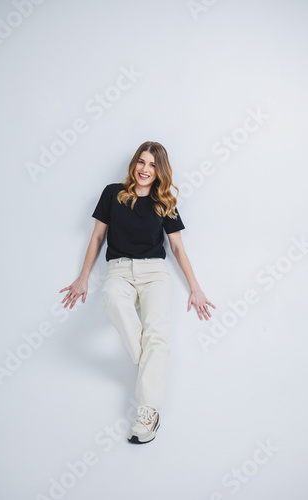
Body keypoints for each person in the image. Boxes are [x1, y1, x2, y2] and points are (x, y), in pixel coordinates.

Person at [59, 141, 216, 444]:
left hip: (155, 274)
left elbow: (177, 247)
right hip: (119, 270)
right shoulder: (112, 194)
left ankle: (147, 413)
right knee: (112, 296)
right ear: (134, 164)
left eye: (152, 165)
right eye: (141, 162)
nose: (145, 169)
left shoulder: (164, 200)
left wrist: (195, 288)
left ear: (160, 171)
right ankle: (150, 363)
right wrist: (82, 278)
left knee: (157, 334)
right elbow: (97, 237)